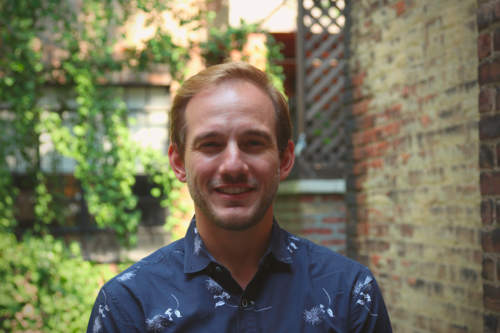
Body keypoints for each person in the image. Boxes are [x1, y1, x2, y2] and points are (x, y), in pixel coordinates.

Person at [87, 61, 392, 332]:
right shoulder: (127, 307)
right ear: (179, 163)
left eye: (254, 142)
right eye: (210, 144)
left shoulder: (349, 295)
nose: (233, 165)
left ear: (285, 160)